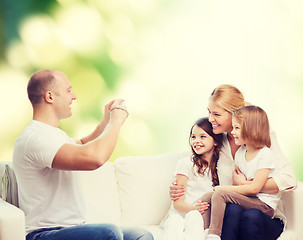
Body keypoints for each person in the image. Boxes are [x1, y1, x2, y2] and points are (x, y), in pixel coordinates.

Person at [13, 69, 153, 240]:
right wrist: (116, 122)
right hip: (44, 234)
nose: (74, 96)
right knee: (109, 233)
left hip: (73, 229)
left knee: (141, 235)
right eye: (68, 90)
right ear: (50, 97)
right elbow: (95, 158)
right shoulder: (34, 138)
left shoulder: (52, 135)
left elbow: (81, 145)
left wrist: (106, 121)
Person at [169, 84, 297, 240]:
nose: (211, 119)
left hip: (262, 215)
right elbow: (197, 165)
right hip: (232, 213)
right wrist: (179, 190)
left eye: (216, 114)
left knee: (251, 216)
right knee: (232, 211)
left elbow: (289, 180)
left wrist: (247, 185)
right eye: (209, 112)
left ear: (235, 113)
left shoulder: (261, 137)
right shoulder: (217, 141)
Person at [202, 105, 281, 240]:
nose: (232, 132)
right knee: (208, 196)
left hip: (264, 204)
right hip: (249, 200)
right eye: (233, 127)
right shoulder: (240, 153)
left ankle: (213, 234)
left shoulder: (265, 154)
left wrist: (222, 188)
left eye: (237, 128)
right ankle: (201, 230)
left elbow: (255, 188)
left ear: (251, 129)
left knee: (219, 193)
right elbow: (238, 188)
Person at [162, 118, 223, 240]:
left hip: (202, 219)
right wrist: (195, 209)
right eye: (193, 137)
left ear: (215, 141)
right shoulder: (185, 163)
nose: (196, 141)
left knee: (198, 225)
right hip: (181, 214)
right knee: (175, 223)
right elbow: (178, 204)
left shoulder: (221, 166)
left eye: (202, 137)